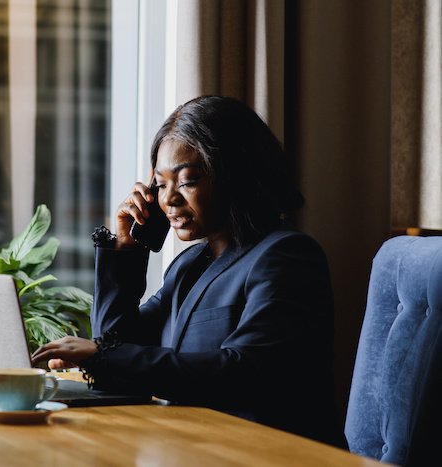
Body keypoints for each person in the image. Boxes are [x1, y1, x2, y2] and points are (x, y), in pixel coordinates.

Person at [31, 95, 341, 445]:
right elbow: (118, 347)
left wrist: (103, 356)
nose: (169, 199)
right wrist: (126, 247)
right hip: (193, 445)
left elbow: (243, 371)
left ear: (236, 174)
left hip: (267, 453)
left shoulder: (287, 256)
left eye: (188, 180)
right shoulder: (189, 265)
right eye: (160, 185)